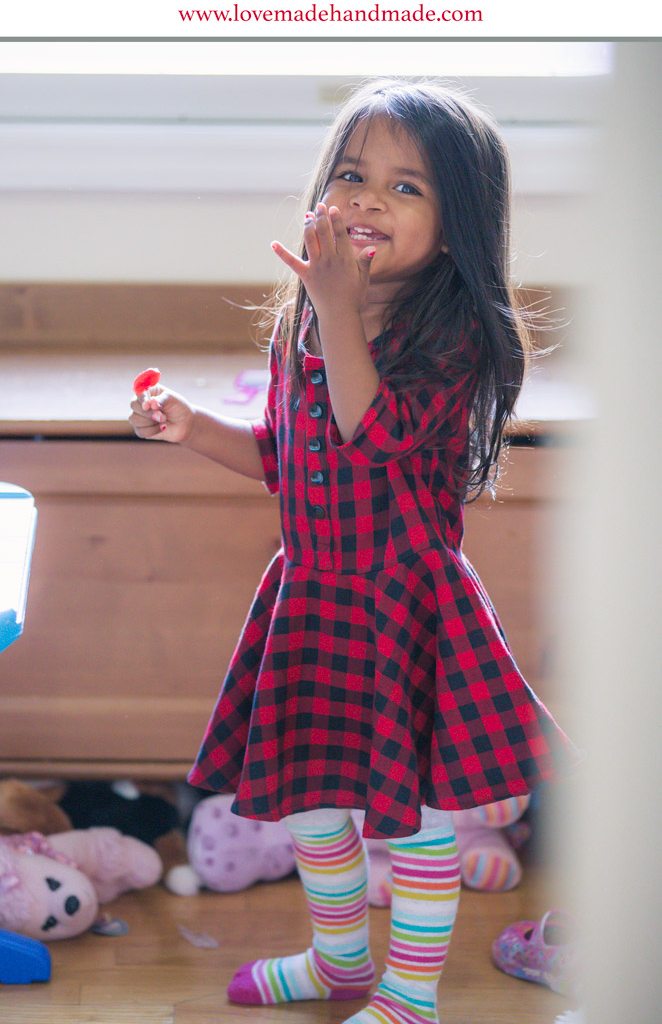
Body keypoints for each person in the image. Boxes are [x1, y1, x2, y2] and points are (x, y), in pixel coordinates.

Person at [129, 78, 583, 1024]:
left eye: (407, 187)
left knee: (410, 819)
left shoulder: (448, 337)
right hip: (313, 598)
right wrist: (187, 425)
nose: (369, 199)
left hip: (402, 607)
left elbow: (371, 433)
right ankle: (339, 963)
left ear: (458, 226)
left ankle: (410, 994)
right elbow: (279, 455)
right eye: (352, 174)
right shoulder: (306, 319)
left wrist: (337, 307)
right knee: (310, 802)